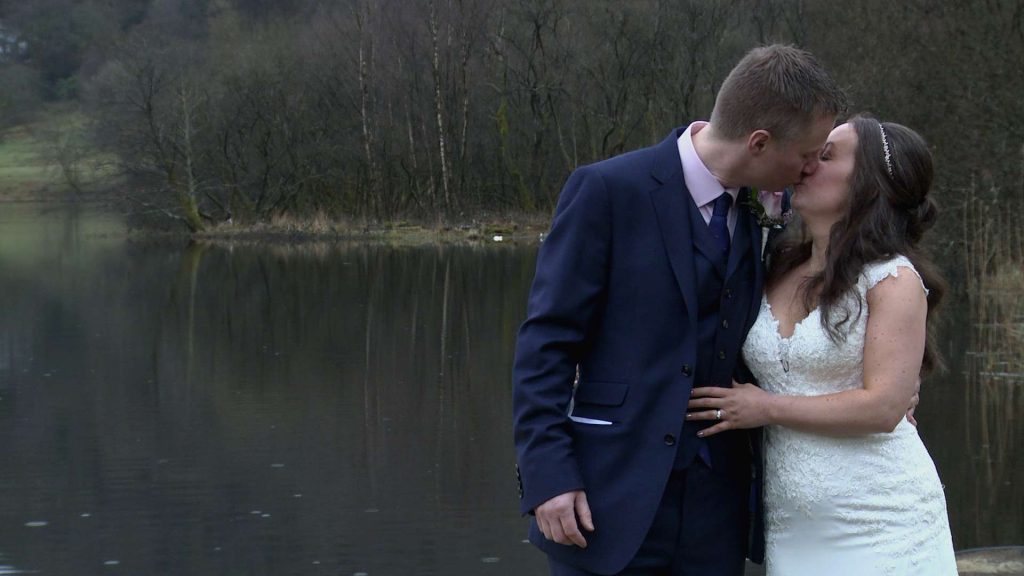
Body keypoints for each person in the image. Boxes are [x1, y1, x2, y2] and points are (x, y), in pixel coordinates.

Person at [511, 45, 847, 576]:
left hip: (718, 505)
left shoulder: (763, 210)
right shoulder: (607, 190)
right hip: (605, 496)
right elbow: (545, 345)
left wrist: (878, 386)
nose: (811, 168)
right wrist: (548, 474)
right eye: (806, 154)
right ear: (759, 143)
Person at [688, 116, 958, 575]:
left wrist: (766, 408)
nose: (807, 163)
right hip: (793, 527)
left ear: (868, 184)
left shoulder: (891, 279)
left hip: (883, 523)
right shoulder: (772, 264)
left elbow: (883, 408)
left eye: (826, 155)